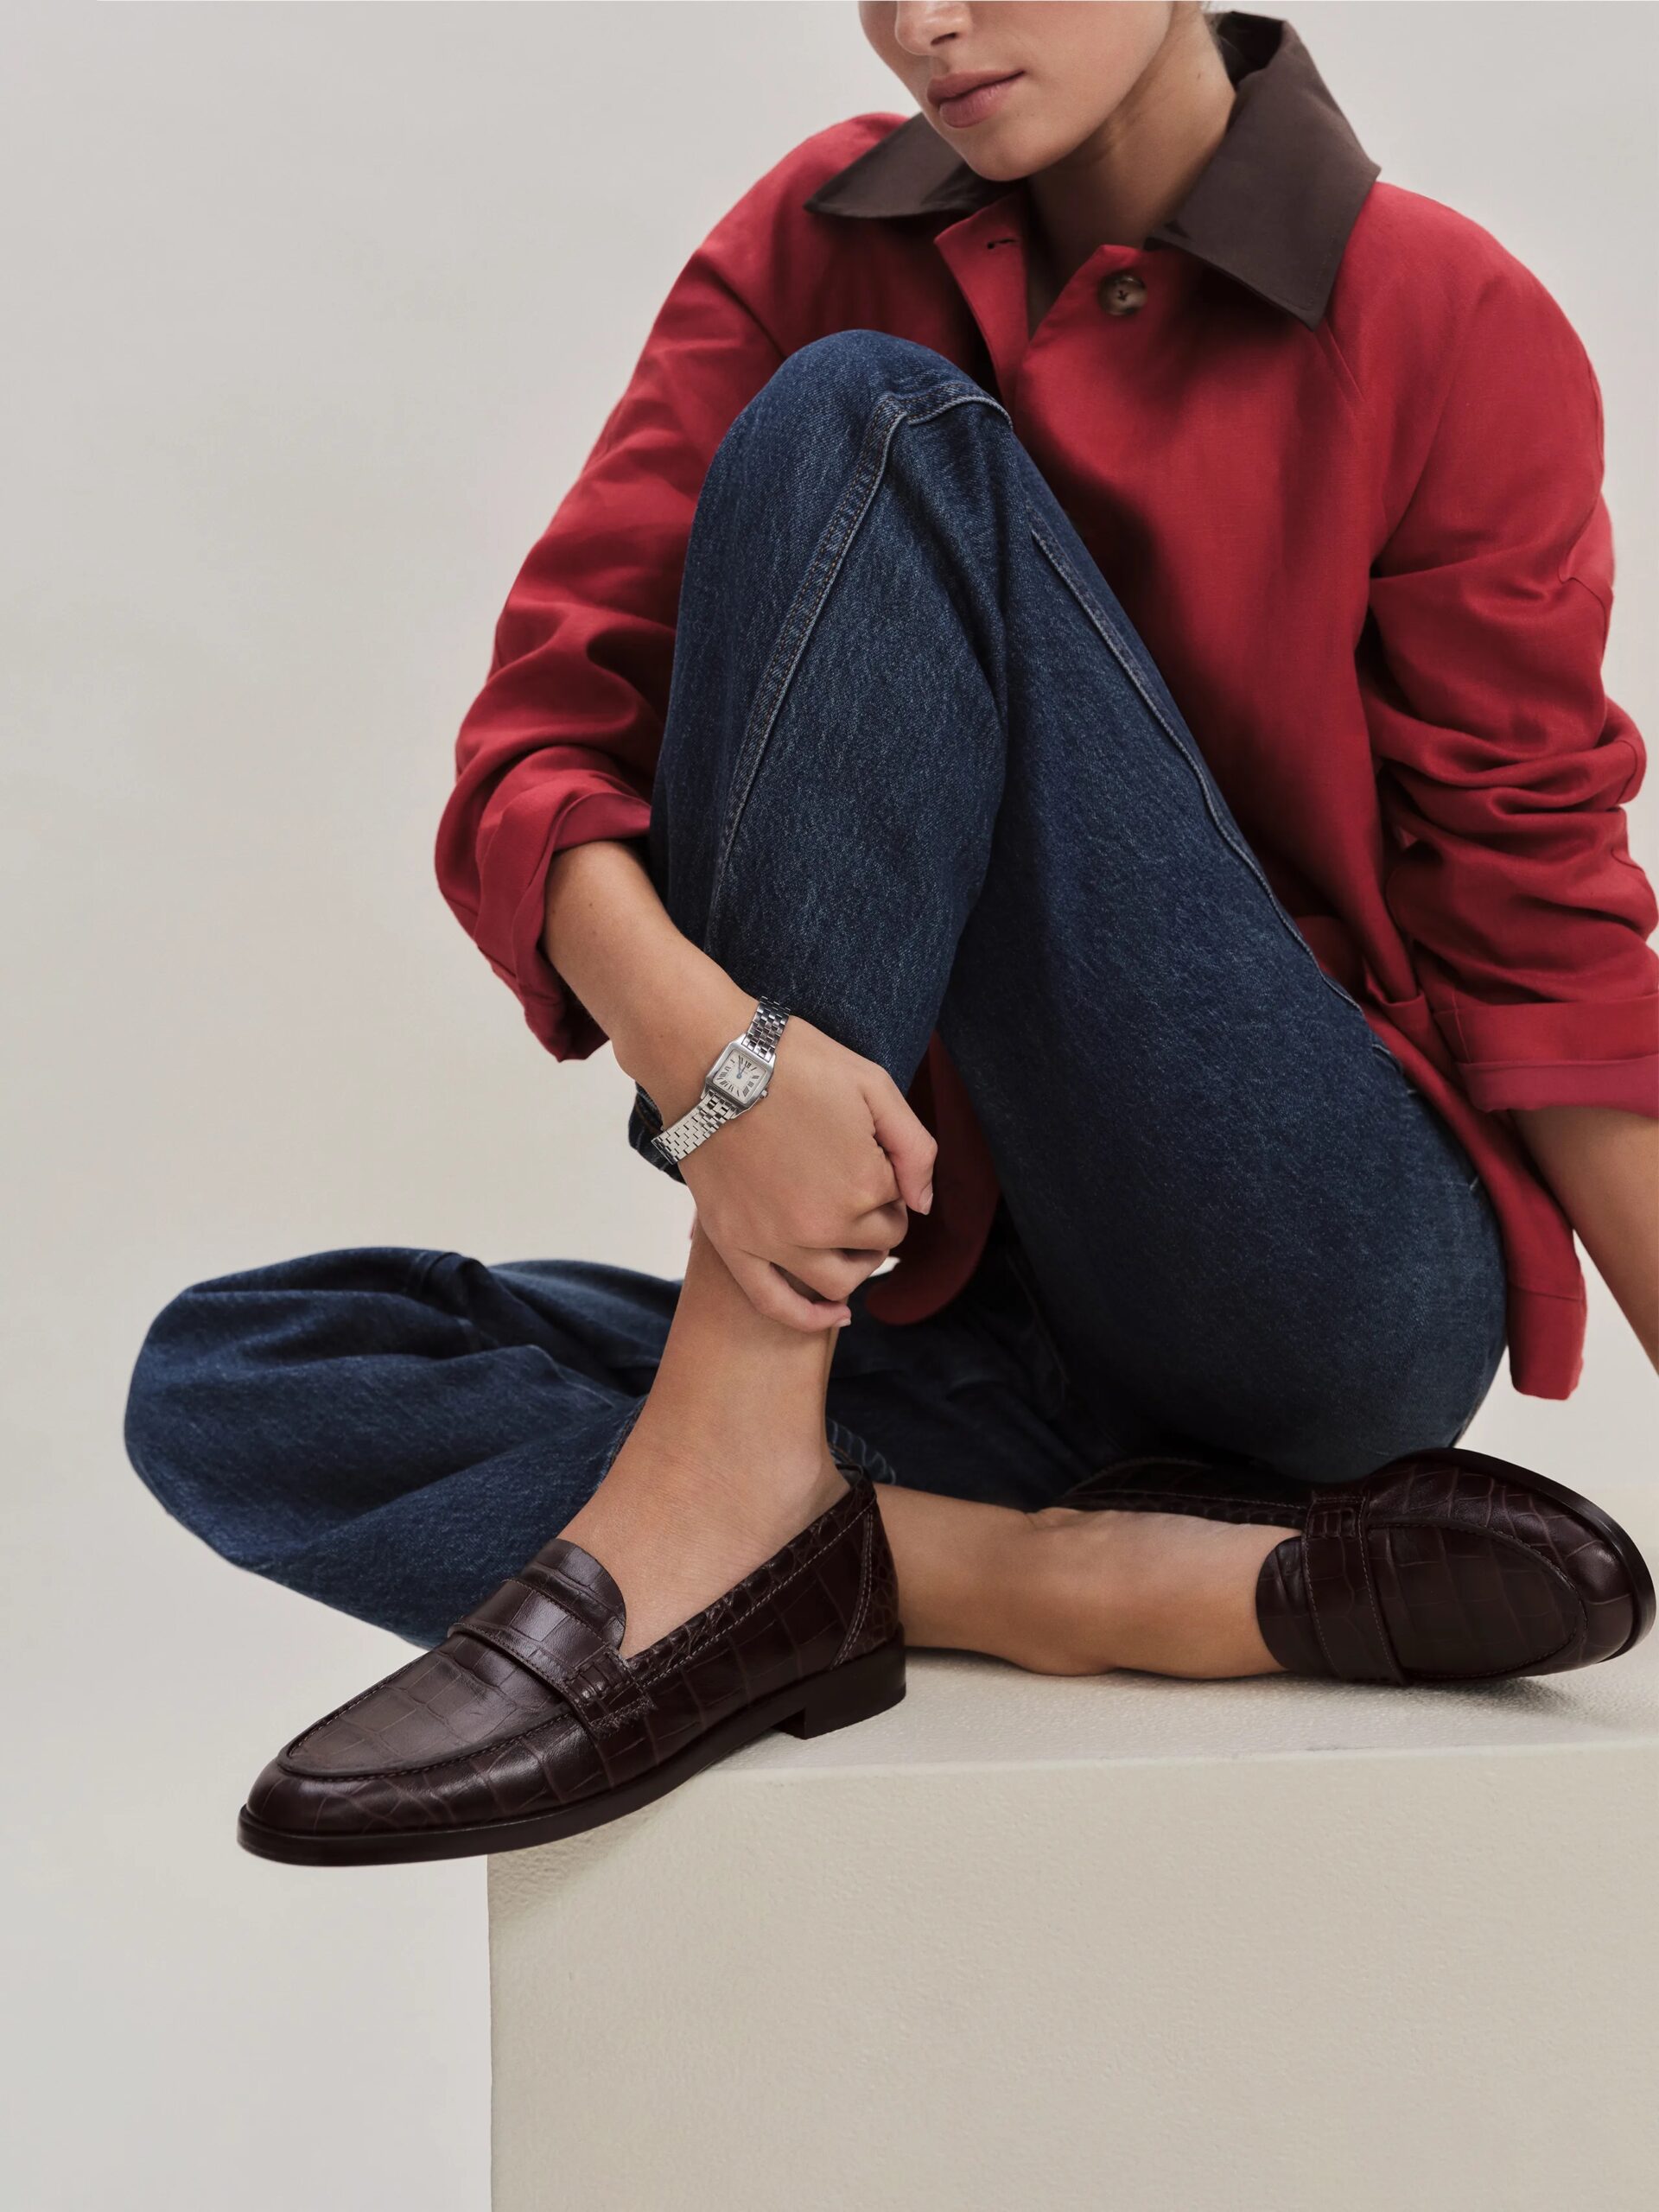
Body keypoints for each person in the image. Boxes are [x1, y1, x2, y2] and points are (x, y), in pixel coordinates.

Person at [125, 5, 1658, 1866]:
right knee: (239, 1372)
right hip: (950, 1332)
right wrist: (713, 1054)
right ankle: (1027, 1573)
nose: (925, 19)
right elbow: (540, 744)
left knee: (875, 425)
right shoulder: (813, 233)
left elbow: (1543, 925)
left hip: (1305, 1268)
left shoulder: (1441, 313)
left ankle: (734, 1503)